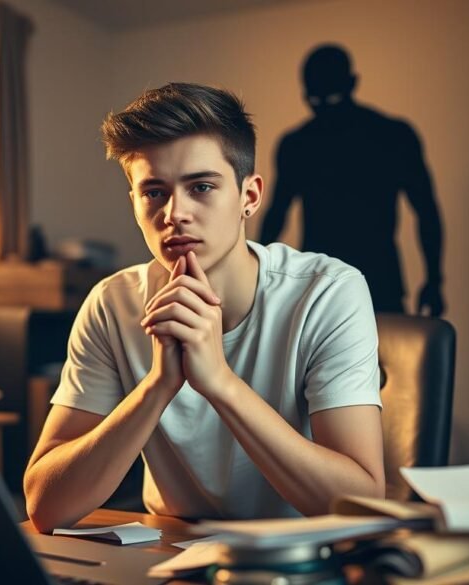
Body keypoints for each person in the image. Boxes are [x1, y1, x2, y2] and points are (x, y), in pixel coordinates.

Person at [24, 83, 384, 531]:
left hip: (301, 558)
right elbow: (45, 505)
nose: (175, 213)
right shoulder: (112, 304)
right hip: (169, 552)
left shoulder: (328, 292)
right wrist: (157, 386)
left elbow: (362, 504)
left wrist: (219, 383)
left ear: (249, 197)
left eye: (201, 187)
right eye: (154, 192)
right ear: (134, 202)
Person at [260, 44, 445, 316]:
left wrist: (434, 281)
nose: (323, 109)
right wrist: (259, 280)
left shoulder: (393, 136)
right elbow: (276, 214)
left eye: (332, 98)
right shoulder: (297, 145)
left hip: (376, 286)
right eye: (313, 100)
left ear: (352, 84)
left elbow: (427, 212)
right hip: (320, 286)